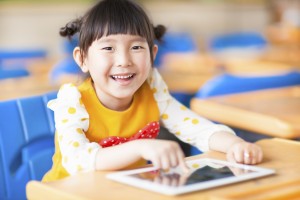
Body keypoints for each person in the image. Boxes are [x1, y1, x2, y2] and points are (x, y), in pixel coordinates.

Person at [42, 0, 263, 182]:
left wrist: (235, 145)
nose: (124, 61)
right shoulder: (73, 101)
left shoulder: (153, 91)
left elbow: (196, 128)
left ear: (152, 54)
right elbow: (77, 161)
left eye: (136, 47)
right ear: (82, 59)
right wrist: (140, 148)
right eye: (108, 48)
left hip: (126, 190)